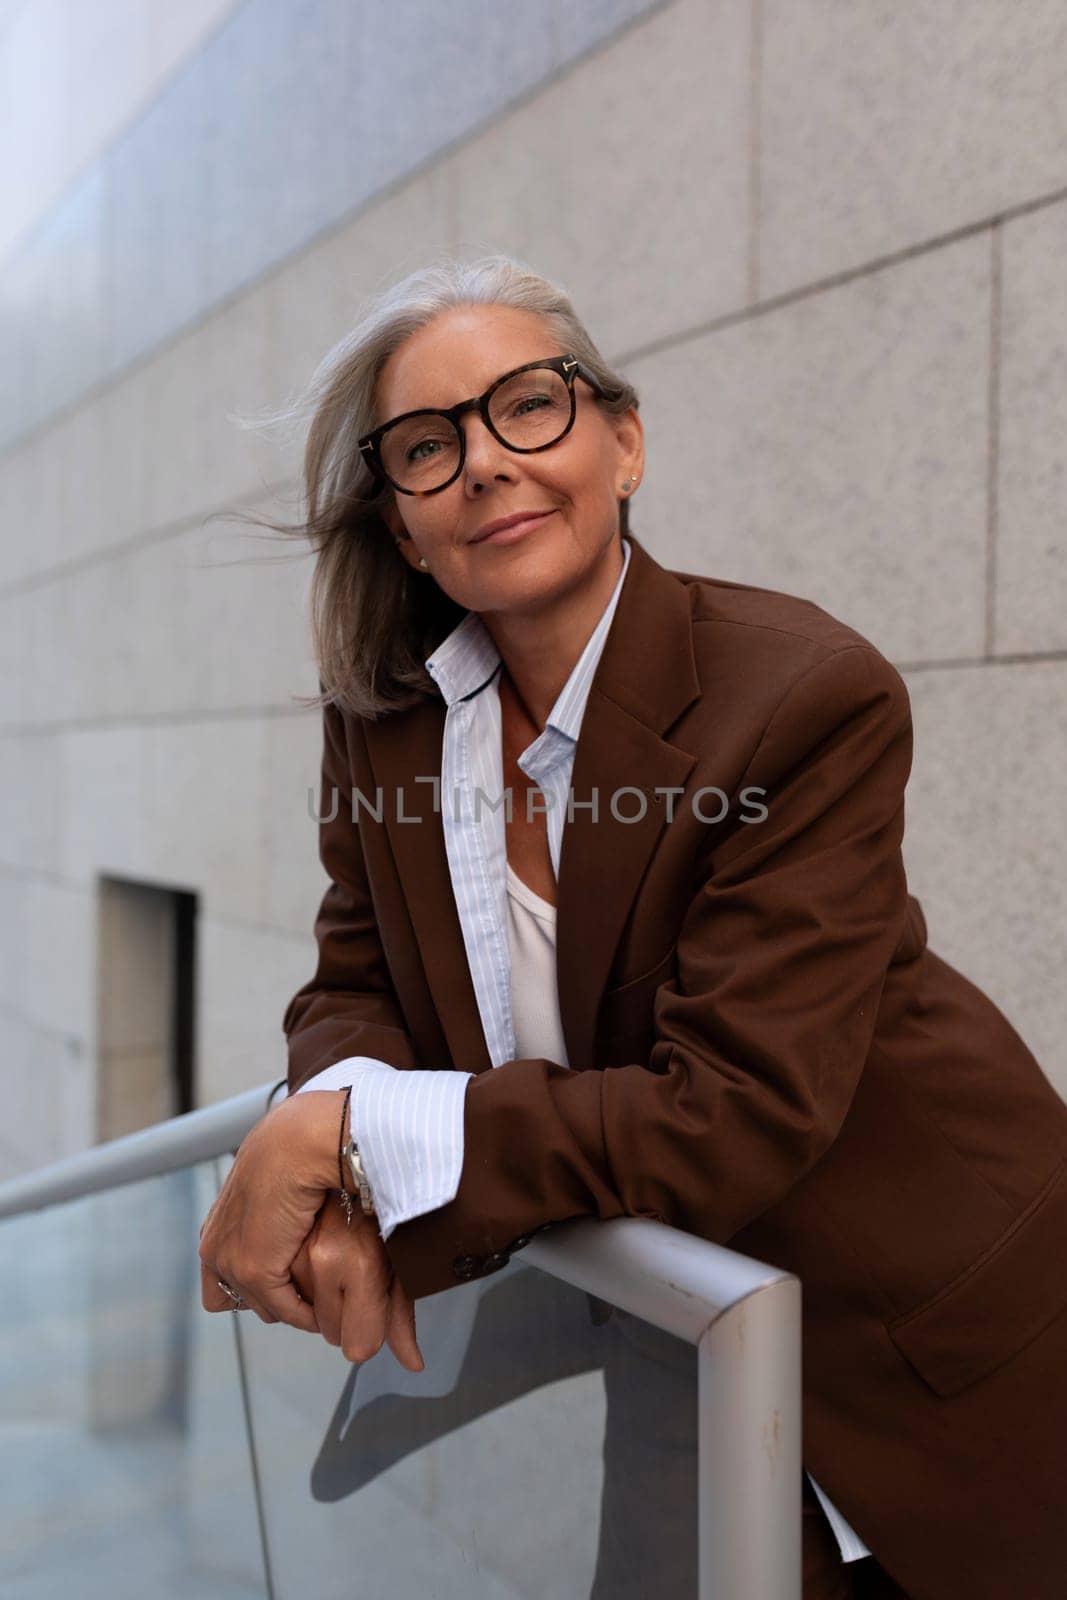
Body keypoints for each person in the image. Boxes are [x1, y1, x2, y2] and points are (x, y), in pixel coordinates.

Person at [199, 254, 1067, 1600]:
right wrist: (346, 1143)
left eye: (528, 406)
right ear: (401, 524)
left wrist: (353, 1137)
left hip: (930, 1321)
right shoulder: (386, 733)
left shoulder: (802, 697)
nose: (484, 462)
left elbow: (731, 1116)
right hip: (681, 1328)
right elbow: (353, 980)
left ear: (625, 444)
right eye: (428, 447)